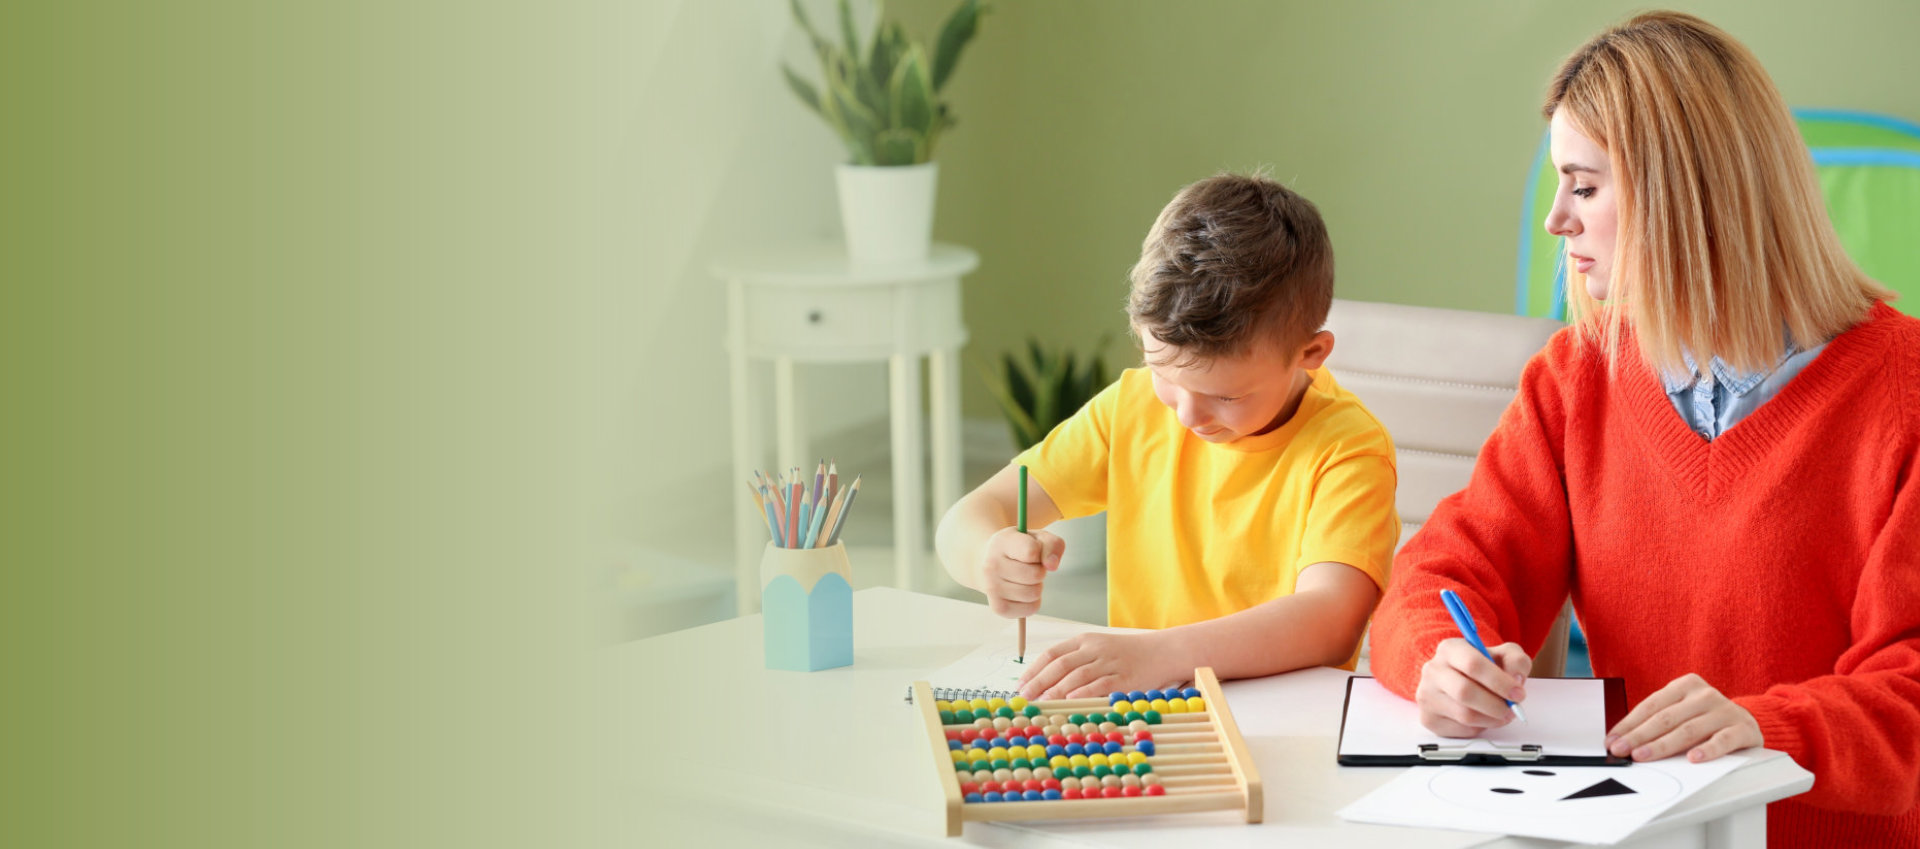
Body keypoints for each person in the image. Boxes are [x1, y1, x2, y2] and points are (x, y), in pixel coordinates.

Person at [1367, 11, 1920, 847]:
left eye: (1584, 186)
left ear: (1687, 191)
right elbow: (1440, 572)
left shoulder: (1902, 391)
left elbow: (1908, 692)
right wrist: (1442, 659)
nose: (1558, 219)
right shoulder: (1575, 376)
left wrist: (1768, 726)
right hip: (1638, 831)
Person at [935, 172, 1399, 701]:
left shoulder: (1350, 447)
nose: (1187, 417)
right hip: (1143, 714)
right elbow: (966, 520)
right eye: (1165, 374)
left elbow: (1329, 620)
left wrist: (1162, 655)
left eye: (1226, 397)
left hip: (1286, 714)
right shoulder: (1130, 408)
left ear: (1310, 355)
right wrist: (986, 556)